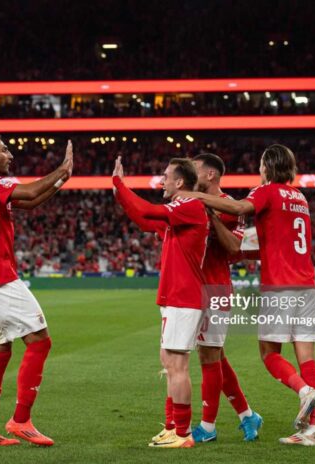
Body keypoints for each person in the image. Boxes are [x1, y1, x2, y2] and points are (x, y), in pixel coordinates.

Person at [184, 144, 315, 446]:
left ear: (268, 166)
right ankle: (309, 431)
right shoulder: (300, 198)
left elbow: (236, 207)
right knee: (307, 359)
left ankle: (304, 391)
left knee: (270, 354)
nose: (259, 168)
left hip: (280, 286)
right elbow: (275, 242)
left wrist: (196, 196)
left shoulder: (267, 191)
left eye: (261, 163)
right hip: (308, 286)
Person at [0, 134, 73, 446]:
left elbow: (32, 199)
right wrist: (61, 169)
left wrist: (61, 181)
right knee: (40, 341)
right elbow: (29, 189)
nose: (10, 155)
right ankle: (21, 420)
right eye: (4, 150)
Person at [112, 156, 208, 448]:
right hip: (176, 296)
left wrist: (119, 183)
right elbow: (143, 219)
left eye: (166, 176)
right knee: (169, 362)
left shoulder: (188, 206)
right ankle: (172, 426)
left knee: (177, 365)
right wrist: (121, 194)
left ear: (179, 182)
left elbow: (148, 209)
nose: (161, 180)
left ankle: (183, 434)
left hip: (184, 296)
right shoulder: (177, 216)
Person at [189, 153, 263, 443]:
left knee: (210, 356)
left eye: (194, 169)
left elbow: (235, 249)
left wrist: (209, 215)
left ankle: (207, 428)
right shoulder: (192, 203)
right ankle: (247, 416)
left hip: (217, 288)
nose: (189, 172)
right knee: (215, 355)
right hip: (194, 286)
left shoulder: (231, 208)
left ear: (210, 175)